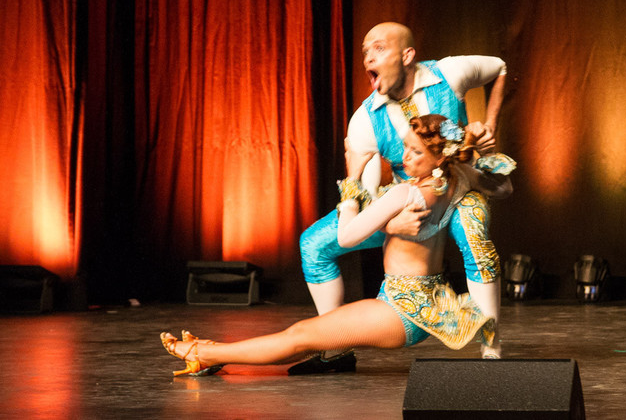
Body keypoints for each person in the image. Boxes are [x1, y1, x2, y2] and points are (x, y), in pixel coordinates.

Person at [161, 115, 516, 376]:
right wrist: (479, 157)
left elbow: (346, 236)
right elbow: (504, 188)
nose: (405, 157)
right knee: (311, 339)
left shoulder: (406, 194)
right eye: (406, 146)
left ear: (440, 158)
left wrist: (351, 182)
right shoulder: (457, 177)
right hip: (426, 302)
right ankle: (214, 353)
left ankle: (204, 353)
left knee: (301, 335)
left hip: (401, 310)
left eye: (416, 152)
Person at [295, 22, 508, 373]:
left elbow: (499, 68)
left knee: (474, 232)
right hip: (410, 208)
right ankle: (335, 346)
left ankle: (491, 348)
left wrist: (490, 125)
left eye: (378, 48)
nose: (368, 57)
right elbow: (367, 195)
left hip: (457, 193)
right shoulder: (365, 120)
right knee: (314, 245)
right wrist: (391, 224)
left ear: (407, 55)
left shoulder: (450, 73)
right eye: (365, 52)